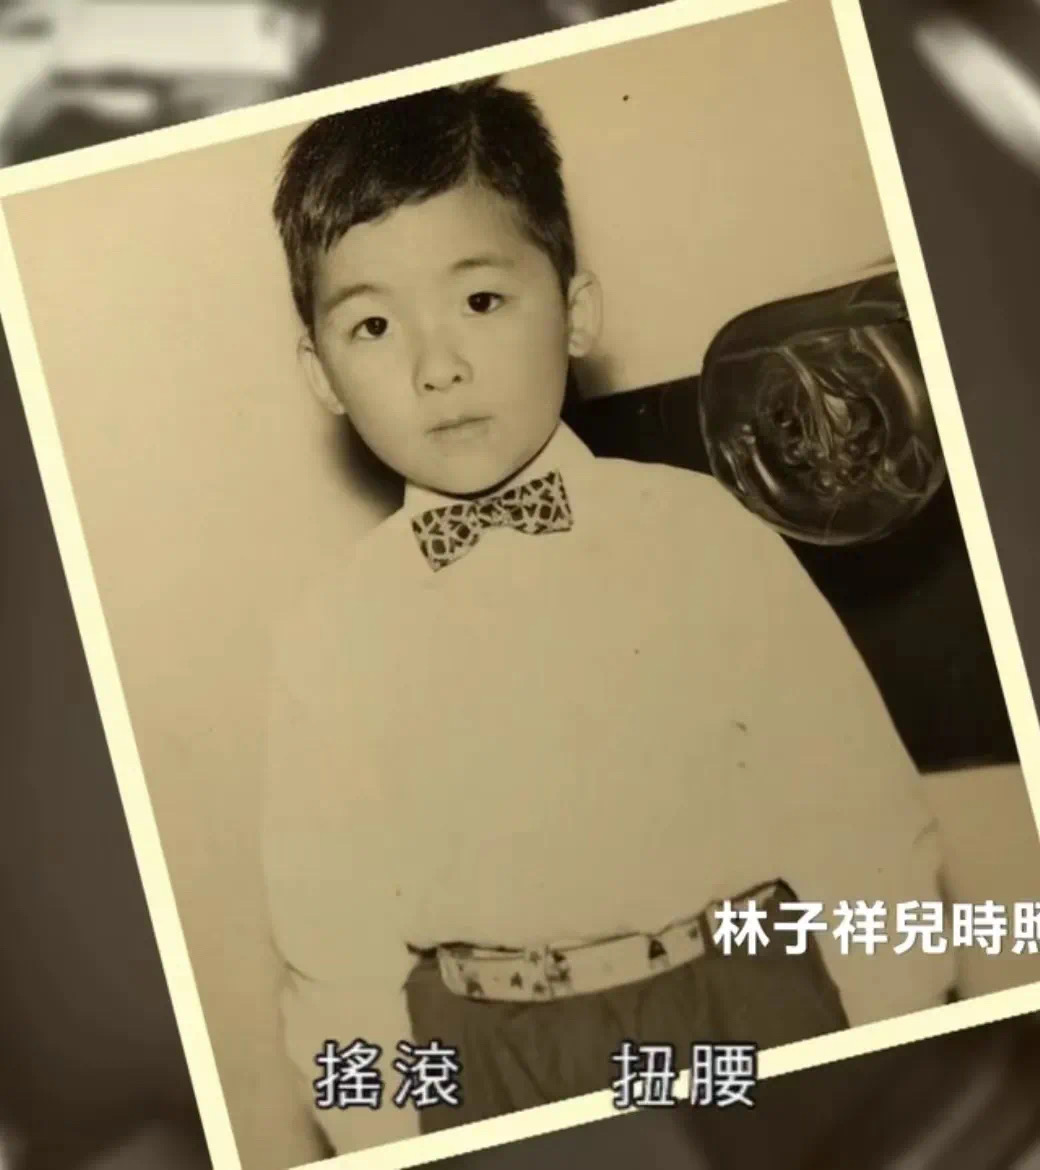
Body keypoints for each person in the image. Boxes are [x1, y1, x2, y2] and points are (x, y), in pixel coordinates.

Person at [262, 77, 956, 1156]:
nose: (437, 366)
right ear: (321, 373)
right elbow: (331, 957)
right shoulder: (328, 635)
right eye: (374, 324)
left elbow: (860, 822)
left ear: (575, 311)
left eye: (480, 302)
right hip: (487, 1065)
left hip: (746, 1005)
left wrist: (883, 1047)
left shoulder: (706, 533)